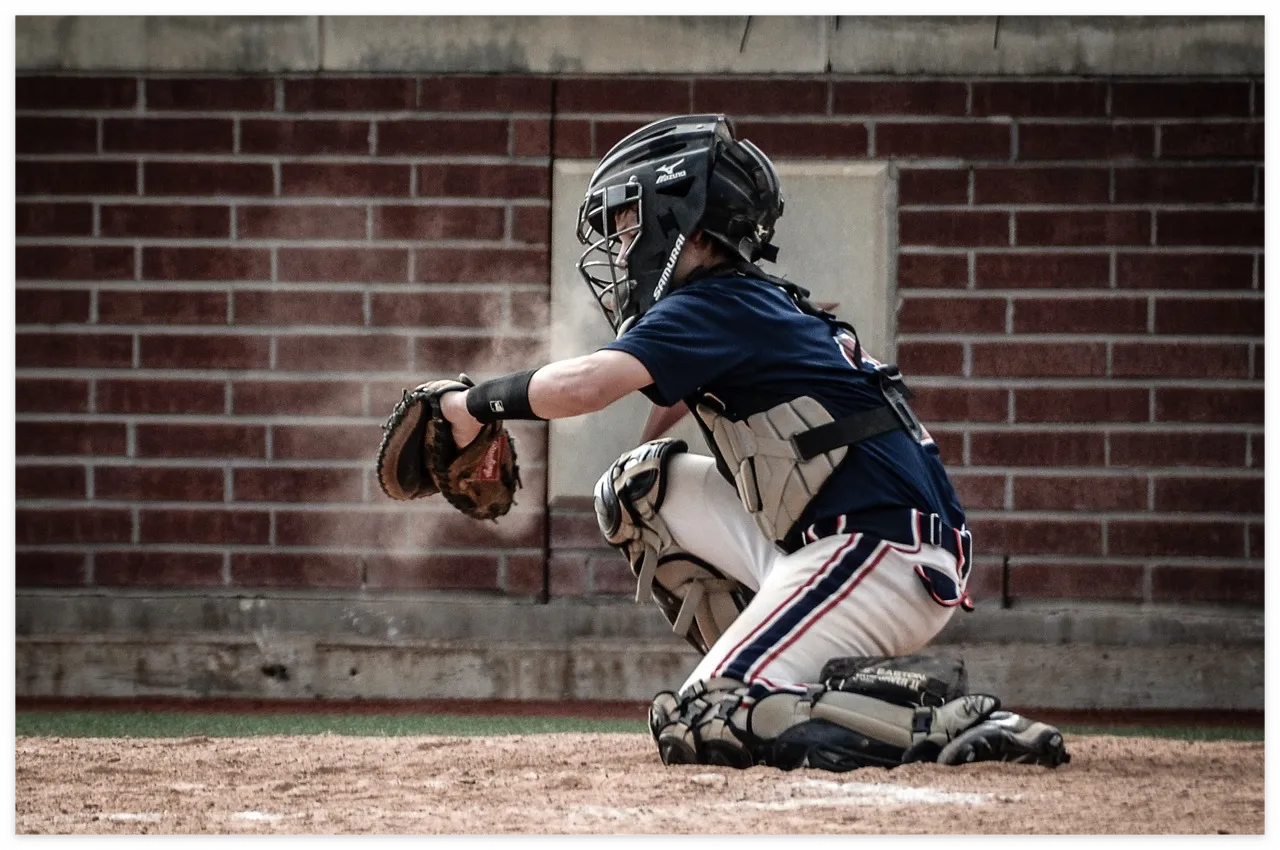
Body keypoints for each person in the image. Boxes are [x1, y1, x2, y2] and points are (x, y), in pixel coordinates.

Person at [438, 114, 1068, 771]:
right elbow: (678, 394)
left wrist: (472, 404)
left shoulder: (715, 303)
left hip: (878, 554)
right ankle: (766, 676)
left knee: (704, 716)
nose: (622, 248)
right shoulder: (742, 302)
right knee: (636, 491)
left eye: (630, 224)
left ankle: (931, 719)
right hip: (858, 542)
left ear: (684, 218)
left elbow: (589, 386)